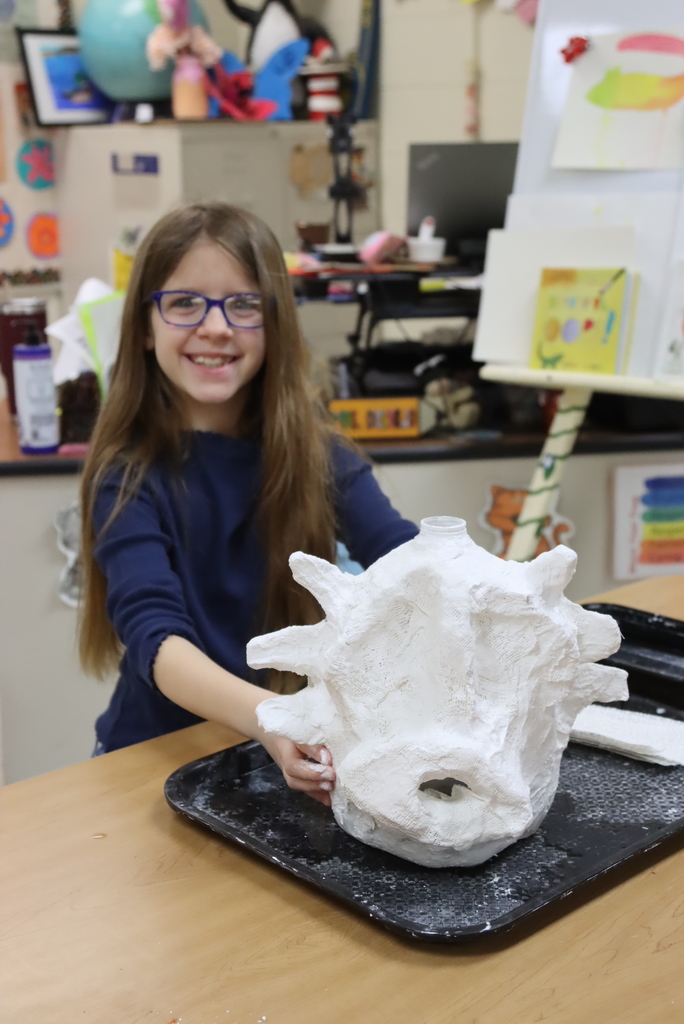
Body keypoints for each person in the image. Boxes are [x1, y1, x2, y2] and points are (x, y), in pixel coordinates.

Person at [79, 202, 418, 806]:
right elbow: (157, 639)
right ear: (144, 327)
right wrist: (272, 718)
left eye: (243, 304)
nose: (216, 327)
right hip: (152, 761)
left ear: (275, 323)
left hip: (270, 754)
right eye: (185, 303)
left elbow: (409, 561)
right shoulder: (125, 477)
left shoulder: (317, 453)